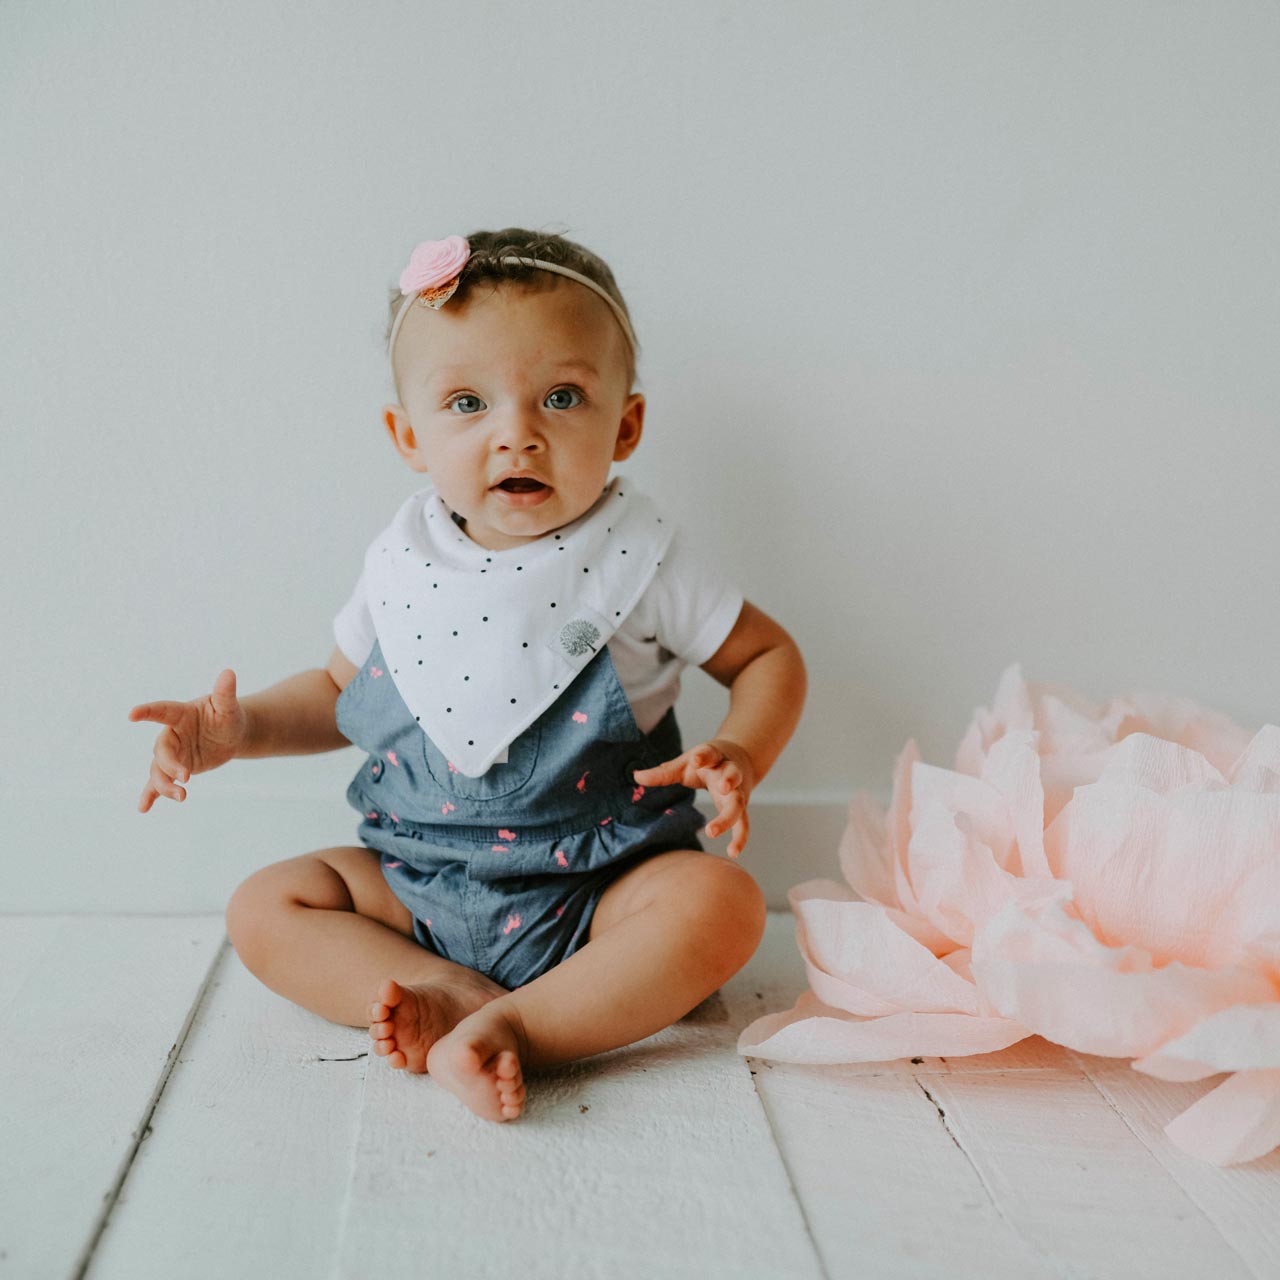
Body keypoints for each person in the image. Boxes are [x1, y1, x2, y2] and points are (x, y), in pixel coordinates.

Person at [128, 227, 807, 1124]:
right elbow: (339, 696)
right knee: (265, 906)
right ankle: (442, 991)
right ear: (408, 435)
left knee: (721, 902)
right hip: (414, 884)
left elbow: (768, 656)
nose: (517, 434)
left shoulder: (641, 560)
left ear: (627, 424)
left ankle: (526, 1026)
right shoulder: (399, 566)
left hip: (599, 891)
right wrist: (237, 729)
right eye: (466, 403)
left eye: (561, 397)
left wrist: (742, 750)